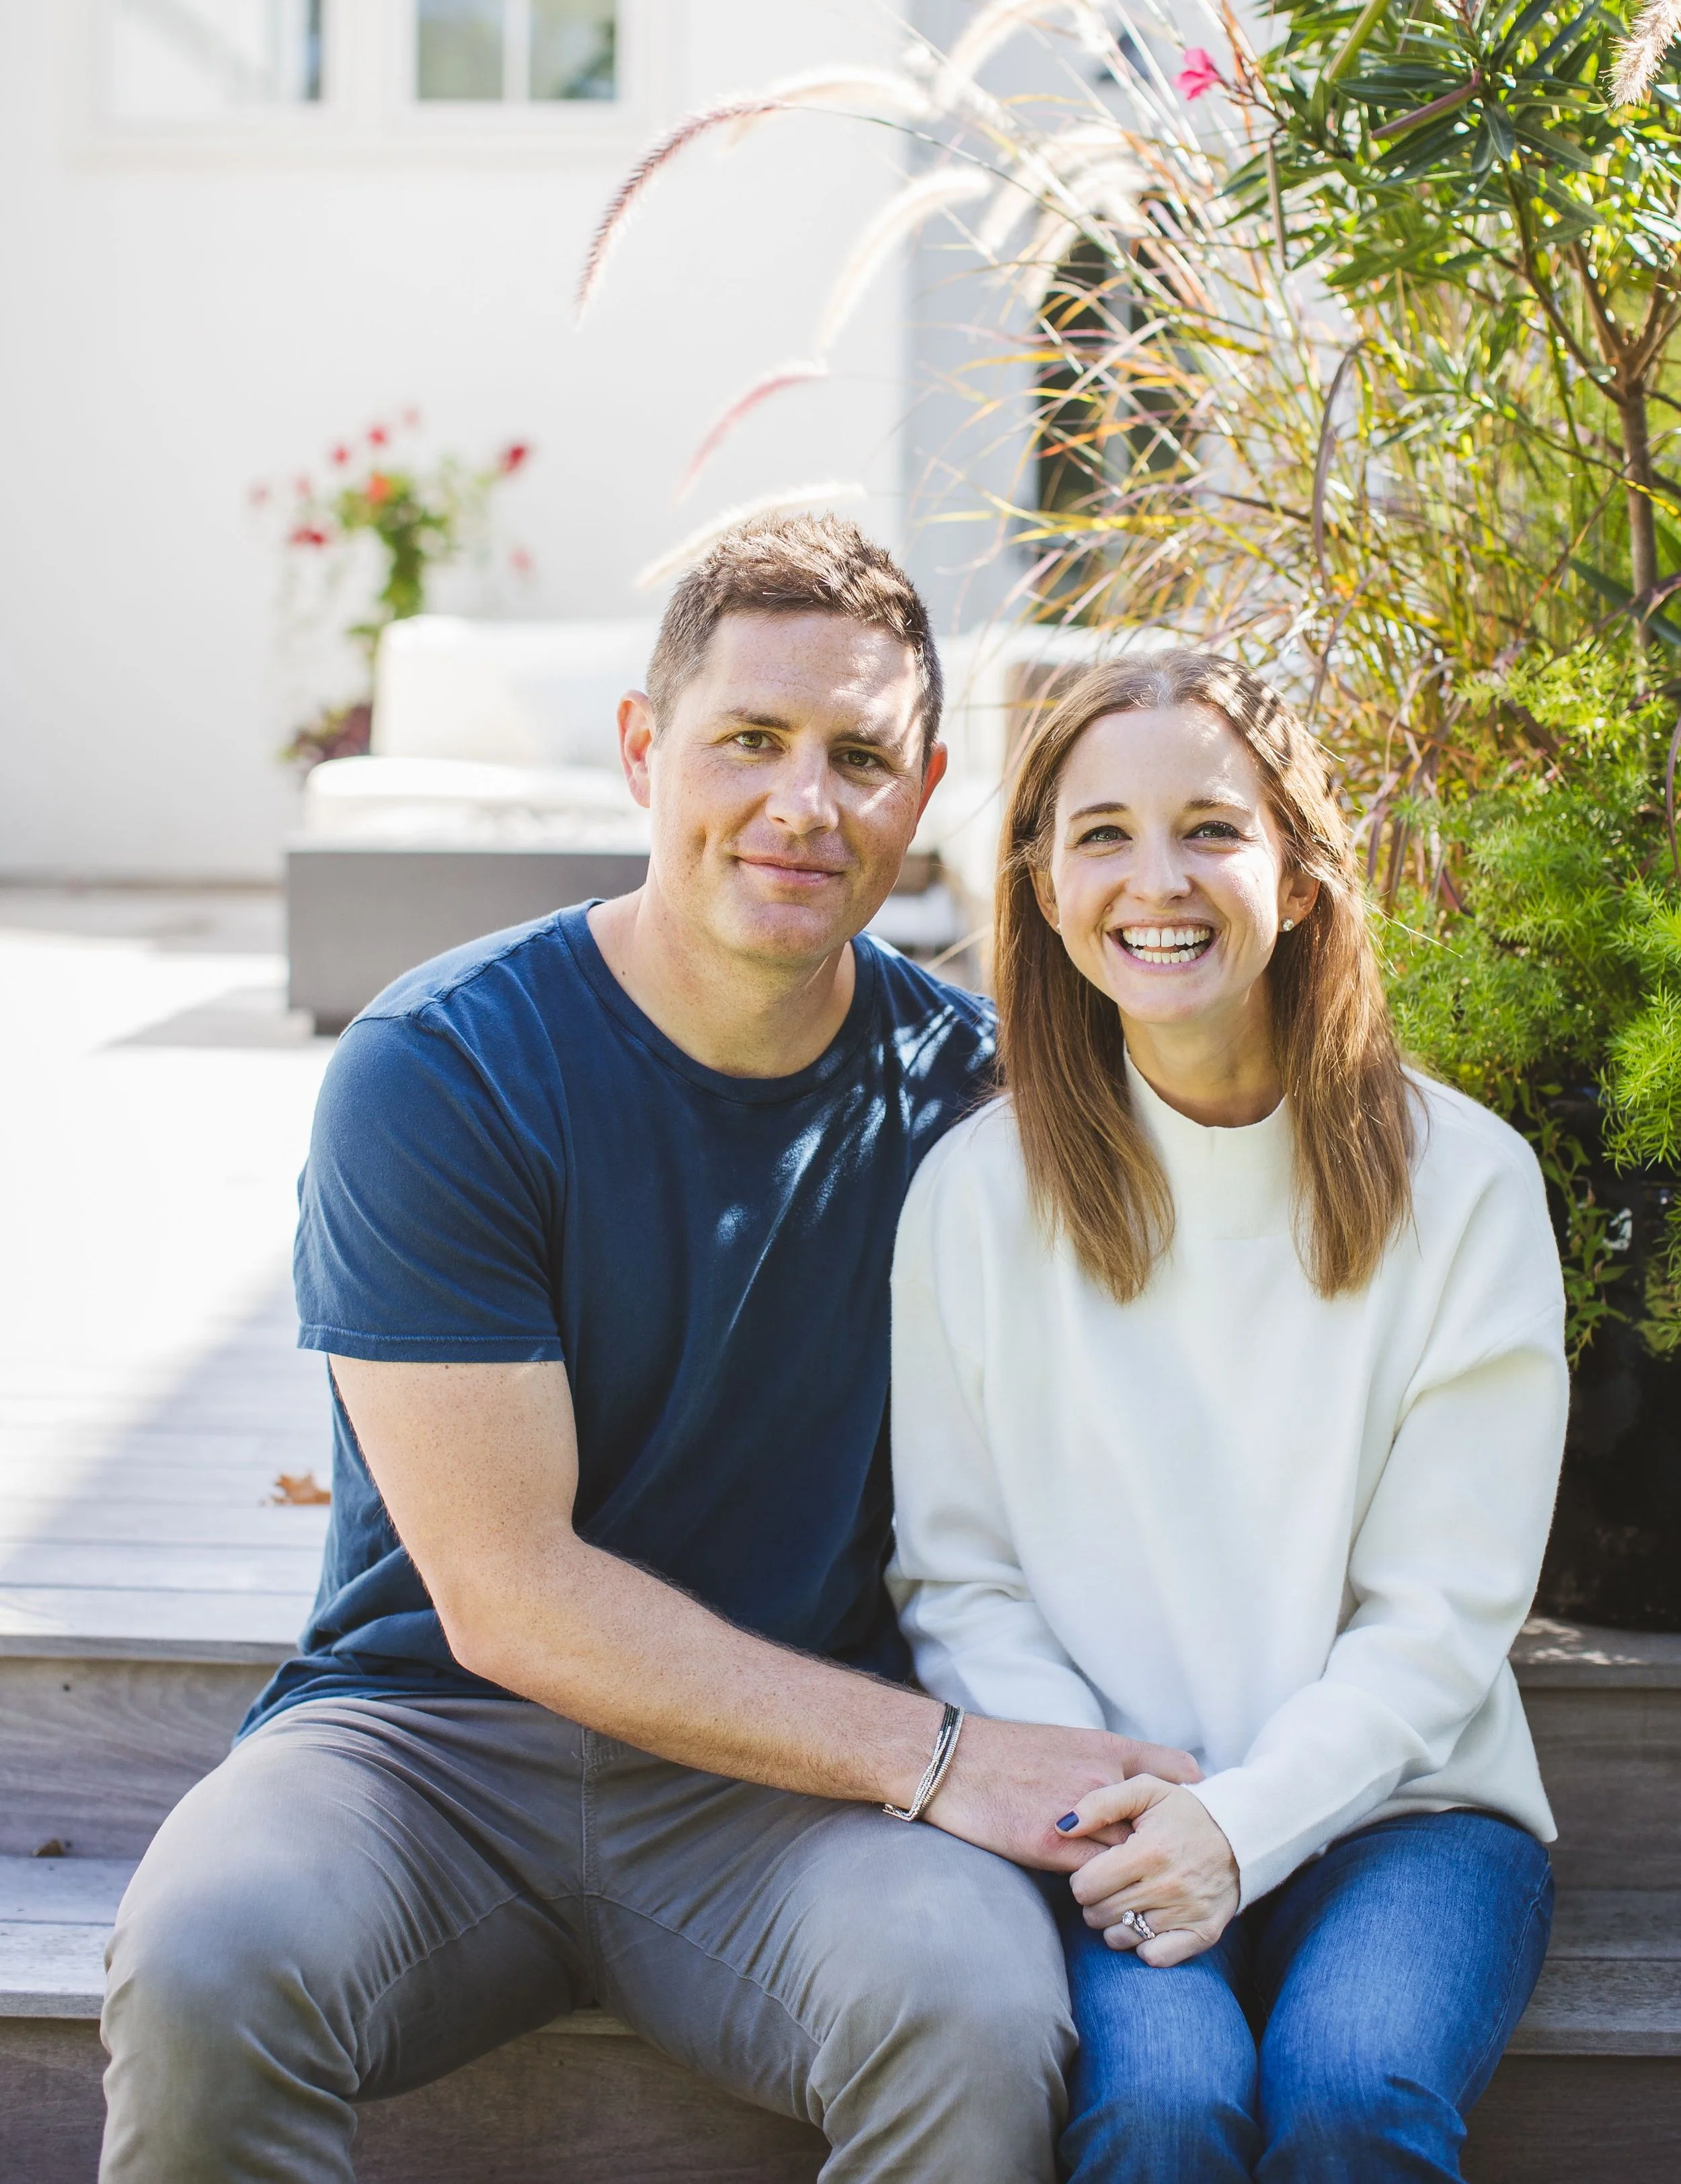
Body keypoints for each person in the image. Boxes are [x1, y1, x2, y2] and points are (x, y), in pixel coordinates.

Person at [100, 515, 1196, 2184]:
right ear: (642, 750)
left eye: (858, 756)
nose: (800, 804)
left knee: (972, 2012)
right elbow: (506, 1594)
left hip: (790, 1793)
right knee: (201, 1963)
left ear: (923, 792)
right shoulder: (445, 1068)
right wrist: (946, 1760)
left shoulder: (975, 1102)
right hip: (426, 1749)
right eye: (746, 741)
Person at [889, 650, 1568, 2183]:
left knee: (1348, 2092)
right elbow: (956, 1577)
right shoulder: (972, 1200)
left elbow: (1438, 1619)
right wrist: (1122, 1814)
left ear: (1302, 876)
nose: (1157, 880)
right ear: (1045, 889)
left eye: (1209, 826)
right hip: (1102, 1813)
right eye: (1102, 834)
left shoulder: (1463, 1187)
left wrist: (1247, 1826)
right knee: (1162, 2104)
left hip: (1406, 1812)